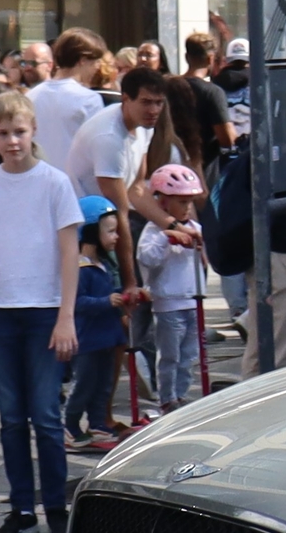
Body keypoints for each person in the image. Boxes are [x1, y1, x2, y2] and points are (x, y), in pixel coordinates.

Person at [0, 88, 80, 533]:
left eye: (20, 131)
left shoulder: (54, 182)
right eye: (3, 132)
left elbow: (69, 251)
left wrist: (66, 315)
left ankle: (55, 505)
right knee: (12, 418)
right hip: (2, 308)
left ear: (33, 132)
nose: (12, 140)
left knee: (46, 416)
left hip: (45, 309)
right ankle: (20, 508)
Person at [67, 64, 166, 298]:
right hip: (86, 231)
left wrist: (173, 224)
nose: (153, 110)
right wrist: (129, 282)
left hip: (109, 225)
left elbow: (137, 190)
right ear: (126, 99)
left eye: (159, 102)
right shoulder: (109, 137)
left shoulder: (145, 126)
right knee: (107, 310)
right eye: (146, 102)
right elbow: (120, 211)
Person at [134, 164, 206, 412]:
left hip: (193, 299)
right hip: (169, 303)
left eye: (189, 201)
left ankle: (182, 394)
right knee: (170, 356)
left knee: (189, 356)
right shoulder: (154, 230)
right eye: (181, 201)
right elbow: (147, 258)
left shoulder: (195, 228)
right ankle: (167, 398)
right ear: (163, 202)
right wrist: (167, 238)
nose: (187, 207)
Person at [63, 199, 129, 452]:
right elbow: (78, 301)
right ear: (91, 232)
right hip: (88, 340)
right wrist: (106, 301)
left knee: (103, 385)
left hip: (106, 338)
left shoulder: (103, 265)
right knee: (84, 384)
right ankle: (70, 426)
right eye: (110, 231)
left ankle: (98, 422)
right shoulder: (80, 268)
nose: (116, 237)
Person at [30, 29, 109, 169]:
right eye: (96, 61)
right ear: (83, 60)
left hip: (38, 182)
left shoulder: (31, 95)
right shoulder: (89, 99)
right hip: (76, 186)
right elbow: (98, 151)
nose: (98, 67)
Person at [179, 32, 234, 150]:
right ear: (210, 58)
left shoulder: (168, 86)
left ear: (186, 57)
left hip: (171, 164)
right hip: (203, 164)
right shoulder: (212, 92)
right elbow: (227, 139)